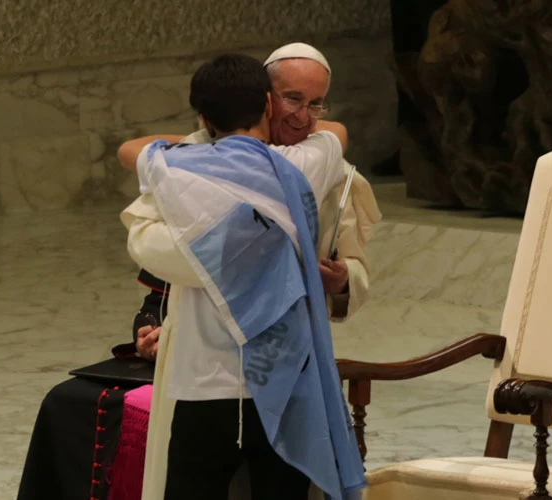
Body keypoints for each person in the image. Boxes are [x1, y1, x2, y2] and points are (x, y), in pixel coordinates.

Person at [128, 43, 381, 500]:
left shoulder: (330, 172)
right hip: (206, 369)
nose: (305, 117)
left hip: (284, 373)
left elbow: (356, 268)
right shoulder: (197, 161)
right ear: (265, 99)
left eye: (316, 103)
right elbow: (153, 255)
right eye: (292, 99)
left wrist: (342, 279)